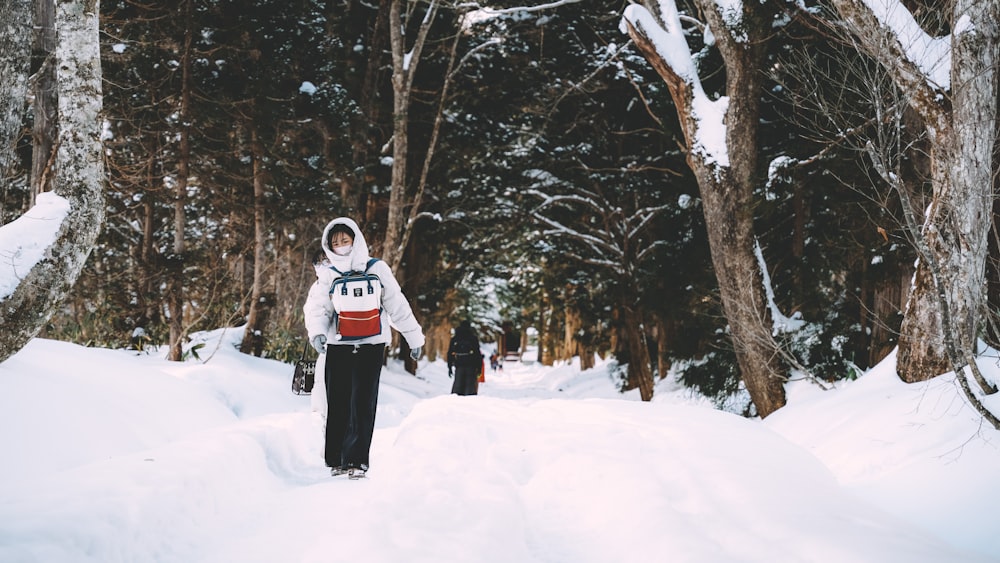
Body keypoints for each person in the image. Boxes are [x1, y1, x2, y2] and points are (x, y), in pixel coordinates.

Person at [304, 218, 424, 479]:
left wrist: (414, 338)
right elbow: (317, 308)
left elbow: (396, 304)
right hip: (338, 345)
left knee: (363, 403)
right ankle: (337, 459)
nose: (340, 246)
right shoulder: (329, 274)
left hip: (372, 344)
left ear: (355, 240)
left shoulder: (377, 268)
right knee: (338, 402)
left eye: (344, 240)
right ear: (328, 246)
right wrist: (317, 333)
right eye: (335, 243)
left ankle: (357, 461)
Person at [447, 320, 483, 396]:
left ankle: (456, 404)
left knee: (458, 387)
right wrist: (479, 368)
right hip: (471, 366)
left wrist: (449, 367)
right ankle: (469, 404)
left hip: (459, 365)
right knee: (470, 390)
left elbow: (450, 353)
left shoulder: (455, 338)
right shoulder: (473, 338)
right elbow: (477, 354)